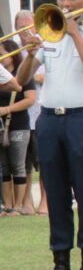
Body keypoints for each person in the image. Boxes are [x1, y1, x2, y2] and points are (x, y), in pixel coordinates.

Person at [17, 0, 83, 270]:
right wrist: (28, 53)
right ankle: (61, 269)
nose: (66, 4)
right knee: (55, 195)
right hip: (50, 121)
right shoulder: (48, 30)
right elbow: (21, 80)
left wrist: (74, 30)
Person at [14, 10, 45, 216]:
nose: (26, 33)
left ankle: (45, 201)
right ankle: (27, 201)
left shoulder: (45, 43)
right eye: (22, 29)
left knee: (44, 161)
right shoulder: (14, 50)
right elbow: (16, 79)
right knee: (24, 163)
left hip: (42, 112)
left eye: (29, 27)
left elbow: (43, 76)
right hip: (24, 117)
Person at [0, 41, 36, 216]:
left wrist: (7, 109)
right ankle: (8, 205)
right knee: (5, 166)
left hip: (19, 125)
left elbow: (30, 99)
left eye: (2, 52)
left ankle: (19, 205)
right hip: (2, 127)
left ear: (11, 53)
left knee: (18, 165)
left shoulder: (22, 73)